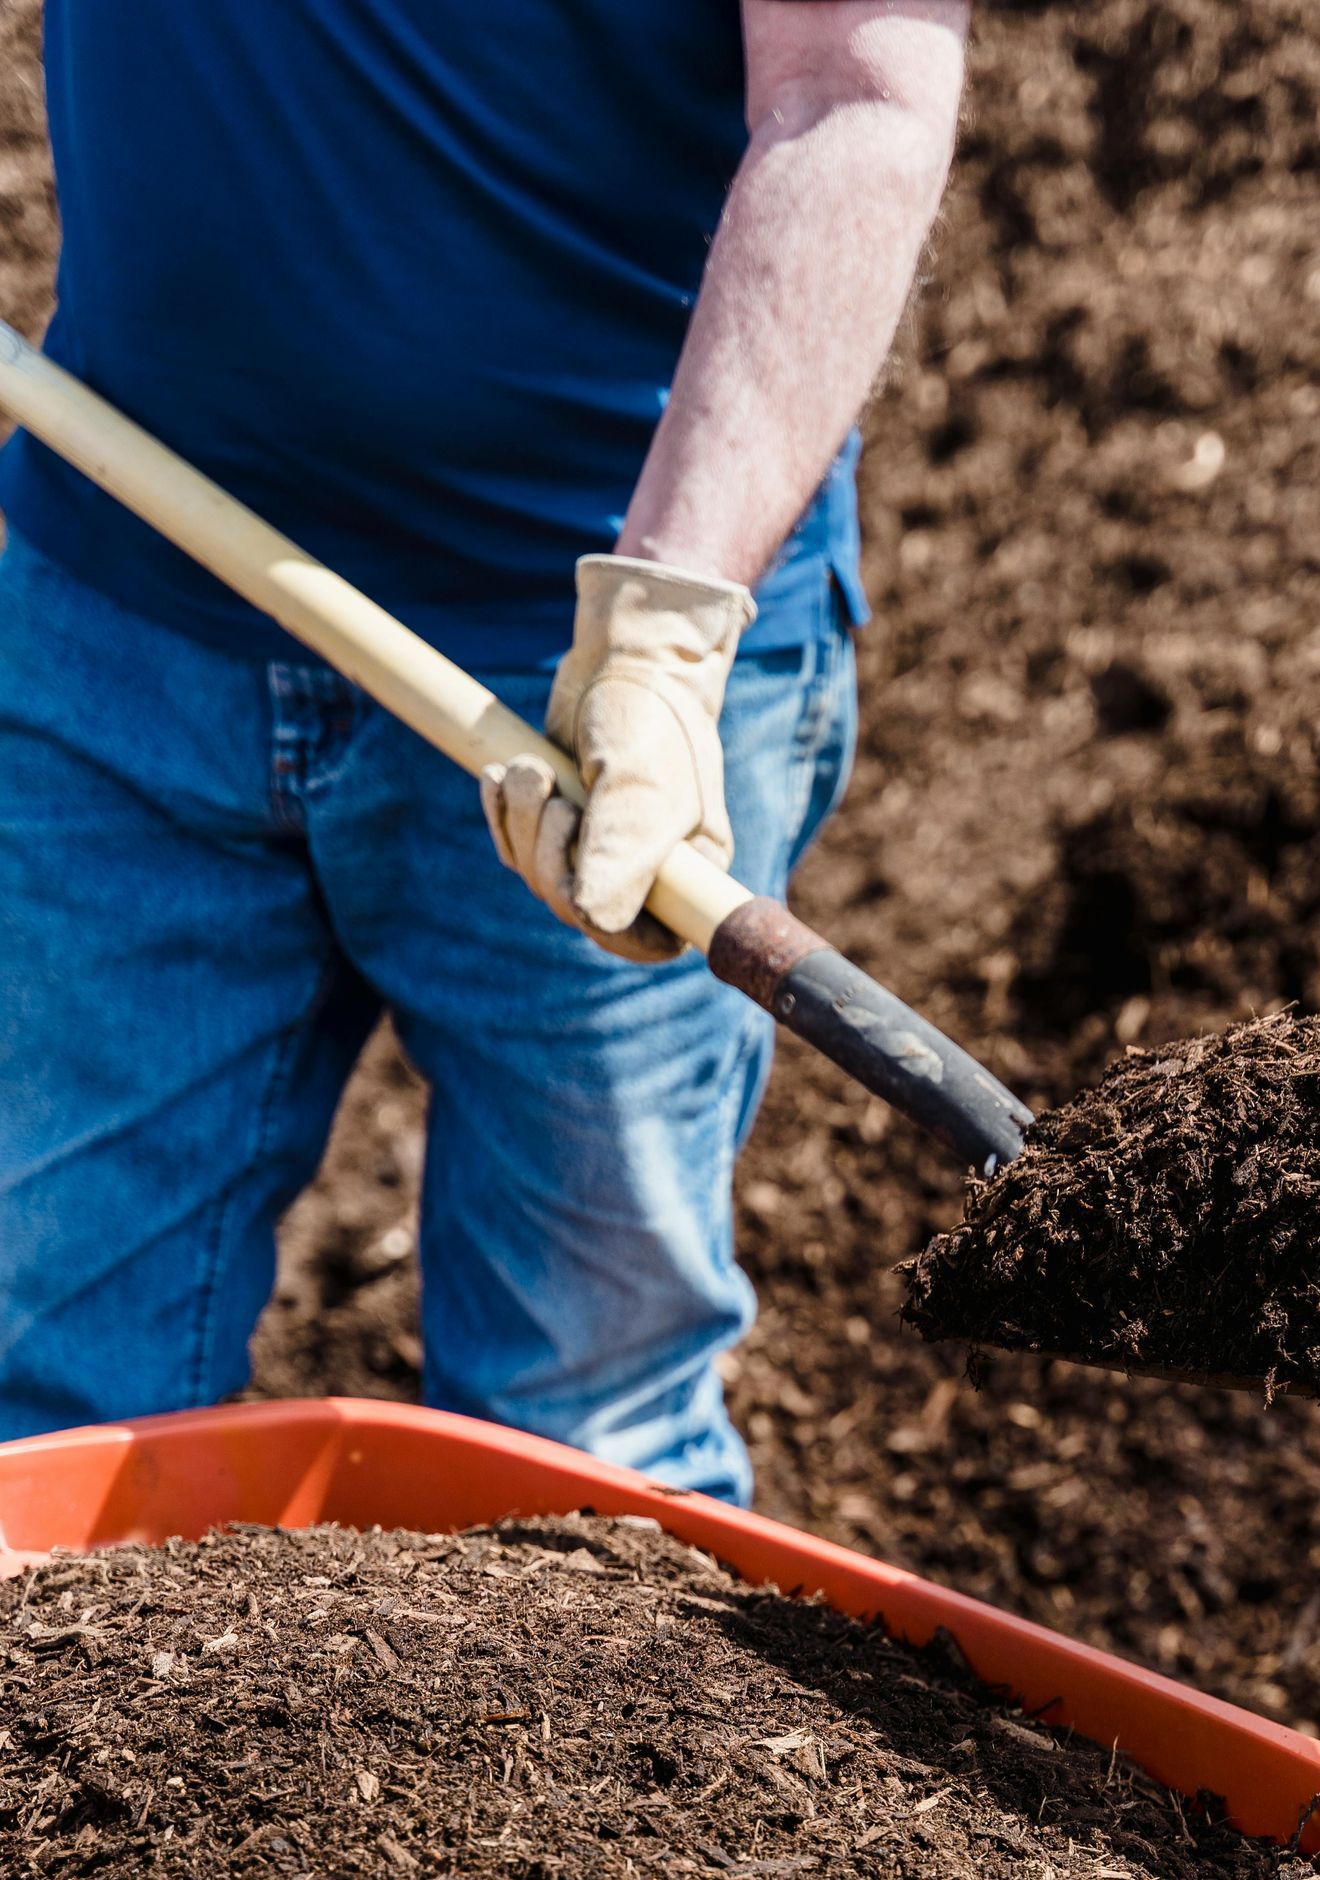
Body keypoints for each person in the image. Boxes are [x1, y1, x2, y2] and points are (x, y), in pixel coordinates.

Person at [0, 0, 970, 1502]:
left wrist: (663, 633)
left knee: (582, 1448)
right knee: (36, 1393)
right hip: (124, 596)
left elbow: (855, 91)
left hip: (592, 670)